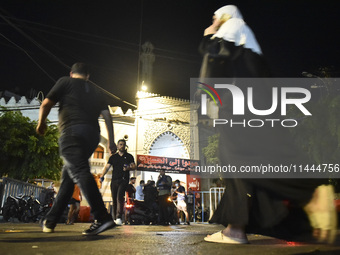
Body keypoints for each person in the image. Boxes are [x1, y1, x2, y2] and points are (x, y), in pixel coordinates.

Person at [200, 6, 337, 244]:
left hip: (239, 105)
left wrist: (208, 34)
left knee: (238, 160)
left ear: (224, 16)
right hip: (254, 103)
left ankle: (309, 194)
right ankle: (236, 227)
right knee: (244, 161)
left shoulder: (232, 27)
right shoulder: (246, 36)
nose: (214, 22)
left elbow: (212, 57)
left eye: (215, 17)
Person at [36, 62, 117, 236]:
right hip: (92, 136)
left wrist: (41, 123)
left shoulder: (65, 81)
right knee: (68, 178)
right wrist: (111, 141)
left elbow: (45, 104)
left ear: (72, 73)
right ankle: (50, 221)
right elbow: (107, 116)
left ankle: (102, 216)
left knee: (79, 171)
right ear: (88, 76)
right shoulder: (96, 90)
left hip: (71, 132)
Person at [100, 139, 136, 225]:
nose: (122, 146)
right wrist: (102, 175)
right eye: (120, 144)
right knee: (114, 199)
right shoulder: (113, 157)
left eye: (123, 144)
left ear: (125, 146)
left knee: (120, 197)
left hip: (123, 180)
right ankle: (114, 218)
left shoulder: (129, 156)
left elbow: (134, 166)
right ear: (117, 146)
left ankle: (119, 217)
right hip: (114, 180)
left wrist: (128, 168)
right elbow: (107, 167)